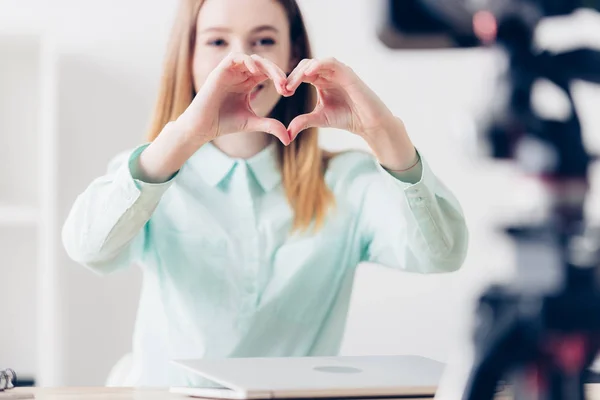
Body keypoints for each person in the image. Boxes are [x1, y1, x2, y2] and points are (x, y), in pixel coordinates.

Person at [62, 0, 469, 388]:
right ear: (187, 56)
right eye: (217, 42)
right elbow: (88, 248)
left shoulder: (346, 183)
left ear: (293, 55)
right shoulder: (153, 173)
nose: (241, 63)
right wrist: (183, 136)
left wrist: (385, 133)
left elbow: (442, 252)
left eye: (263, 41)